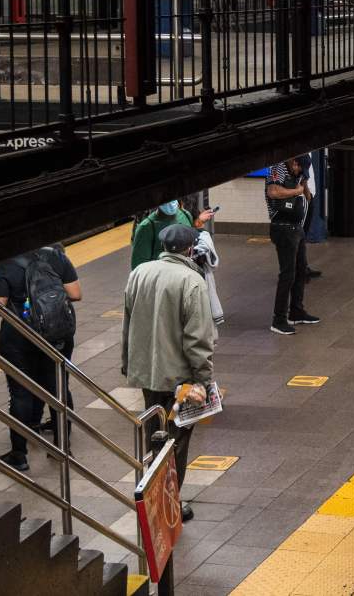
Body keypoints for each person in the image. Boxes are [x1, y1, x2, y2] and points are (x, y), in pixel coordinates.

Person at [122, 224, 215, 523]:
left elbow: (128, 320)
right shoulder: (192, 280)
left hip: (147, 371)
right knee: (177, 440)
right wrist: (204, 380)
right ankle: (168, 501)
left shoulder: (140, 272)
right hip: (180, 379)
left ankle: (151, 496)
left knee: (154, 435)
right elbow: (198, 339)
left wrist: (128, 361)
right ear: (190, 249)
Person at [0, 244, 81, 472]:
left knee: (21, 393)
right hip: (56, 335)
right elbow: (75, 294)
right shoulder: (56, 256)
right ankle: (61, 447)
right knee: (58, 388)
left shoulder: (6, 264)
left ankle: (19, 455)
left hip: (20, 339)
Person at [265, 156, 321, 335]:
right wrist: (296, 191)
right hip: (282, 228)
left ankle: (296, 311)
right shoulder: (278, 169)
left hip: (297, 228)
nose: (299, 174)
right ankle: (278, 319)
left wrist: (304, 187)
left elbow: (307, 195)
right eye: (299, 170)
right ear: (294, 162)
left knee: (301, 270)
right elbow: (273, 192)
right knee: (287, 274)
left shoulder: (298, 174)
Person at [130, 201, 214, 270]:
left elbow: (189, 239)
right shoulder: (146, 228)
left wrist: (199, 222)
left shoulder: (185, 215)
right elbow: (139, 270)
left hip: (187, 273)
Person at [298, 153, 324, 279]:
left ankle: (303, 266)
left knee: (303, 236)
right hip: (303, 197)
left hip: (309, 195)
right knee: (299, 236)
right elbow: (300, 173)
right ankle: (299, 270)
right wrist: (306, 193)